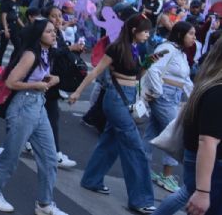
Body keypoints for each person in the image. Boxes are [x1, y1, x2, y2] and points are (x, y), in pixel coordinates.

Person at [69, 14, 159, 214]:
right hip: (116, 99)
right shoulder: (116, 48)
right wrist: (77, 92)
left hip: (127, 96)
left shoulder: (137, 48)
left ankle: (91, 179)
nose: (147, 35)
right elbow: (95, 72)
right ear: (134, 30)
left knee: (111, 141)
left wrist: (148, 63)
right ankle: (141, 199)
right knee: (135, 148)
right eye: (145, 31)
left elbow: (136, 76)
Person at [0, 19, 68, 215]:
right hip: (23, 104)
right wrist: (35, 85)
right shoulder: (31, 55)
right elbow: (12, 82)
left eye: (54, 31)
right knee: (12, 154)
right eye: (49, 31)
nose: (54, 34)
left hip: (39, 105)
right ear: (39, 35)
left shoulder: (47, 53)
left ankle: (45, 204)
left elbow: (45, 77)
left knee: (49, 157)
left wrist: (54, 79)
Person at [154, 38, 222, 215]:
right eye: (190, 33)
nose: (193, 37)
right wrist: (202, 191)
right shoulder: (217, 90)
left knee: (186, 193)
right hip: (212, 165)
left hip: (207, 163)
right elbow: (207, 141)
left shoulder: (211, 84)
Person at [142, 21, 196, 193]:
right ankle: (166, 175)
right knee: (175, 133)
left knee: (152, 131)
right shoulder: (167, 48)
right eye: (191, 34)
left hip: (173, 96)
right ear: (180, 34)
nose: (194, 38)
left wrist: (195, 96)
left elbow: (185, 80)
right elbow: (152, 68)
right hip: (164, 96)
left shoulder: (180, 52)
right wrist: (157, 91)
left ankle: (142, 167)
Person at [42, 6, 82, 169]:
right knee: (52, 117)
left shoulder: (58, 32)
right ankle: (55, 153)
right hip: (47, 81)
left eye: (60, 16)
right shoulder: (46, 34)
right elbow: (52, 53)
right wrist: (69, 48)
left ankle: (33, 144)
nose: (58, 19)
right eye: (54, 16)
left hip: (53, 82)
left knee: (44, 117)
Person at [0, 0, 24, 75]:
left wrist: (24, 27)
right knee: (3, 47)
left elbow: (17, 16)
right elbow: (3, 16)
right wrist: (6, 30)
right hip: (7, 26)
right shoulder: (6, 3)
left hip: (15, 28)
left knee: (18, 47)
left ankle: (11, 65)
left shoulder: (17, 3)